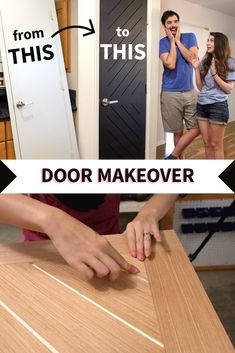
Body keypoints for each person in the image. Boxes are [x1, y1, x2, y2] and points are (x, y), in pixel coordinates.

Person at [0, 193, 178, 281]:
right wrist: (52, 220)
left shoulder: (120, 128)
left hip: (108, 254)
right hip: (41, 257)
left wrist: (149, 212)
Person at [159, 10, 200, 159]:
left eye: (175, 21)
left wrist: (177, 42)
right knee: (178, 132)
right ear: (164, 26)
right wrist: (171, 42)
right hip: (170, 93)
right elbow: (170, 63)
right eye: (169, 22)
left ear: (179, 23)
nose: (173, 24)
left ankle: (173, 156)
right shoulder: (162, 43)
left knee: (196, 128)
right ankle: (180, 162)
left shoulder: (190, 37)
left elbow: (192, 58)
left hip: (190, 92)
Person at [192, 32, 235, 159]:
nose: (208, 43)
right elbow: (200, 87)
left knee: (216, 145)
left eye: (211, 40)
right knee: (207, 144)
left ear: (220, 43)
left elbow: (229, 89)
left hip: (218, 106)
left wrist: (215, 74)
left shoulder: (230, 62)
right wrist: (195, 69)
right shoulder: (206, 61)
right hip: (202, 106)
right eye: (208, 40)